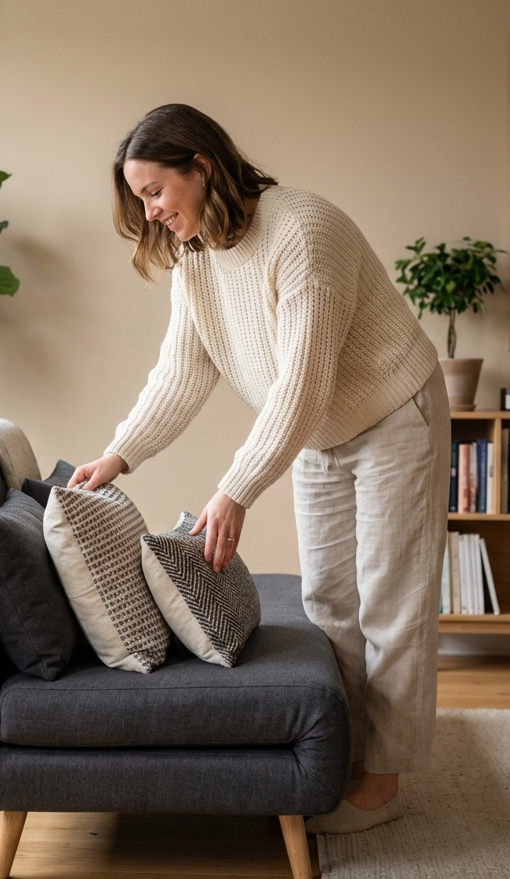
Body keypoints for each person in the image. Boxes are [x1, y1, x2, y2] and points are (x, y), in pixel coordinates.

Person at [68, 104, 450, 834]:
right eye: (139, 198)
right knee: (333, 601)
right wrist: (120, 455)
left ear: (201, 167)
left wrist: (235, 490)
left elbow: (302, 382)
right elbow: (182, 371)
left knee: (390, 601)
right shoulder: (198, 261)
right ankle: (344, 749)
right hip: (318, 433)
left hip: (395, 413)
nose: (149, 213)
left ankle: (385, 779)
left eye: (154, 192)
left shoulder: (303, 231)